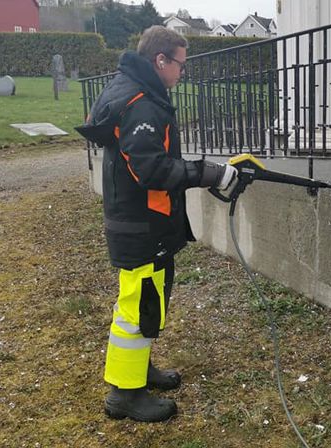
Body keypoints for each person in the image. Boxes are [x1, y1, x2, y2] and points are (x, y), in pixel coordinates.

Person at [75, 25, 237, 422]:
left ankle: (138, 369)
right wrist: (207, 173)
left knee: (148, 302)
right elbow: (150, 169)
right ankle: (125, 395)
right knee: (139, 306)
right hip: (140, 224)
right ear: (160, 60)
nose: (183, 72)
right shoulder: (141, 104)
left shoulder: (135, 92)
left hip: (146, 222)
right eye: (180, 64)